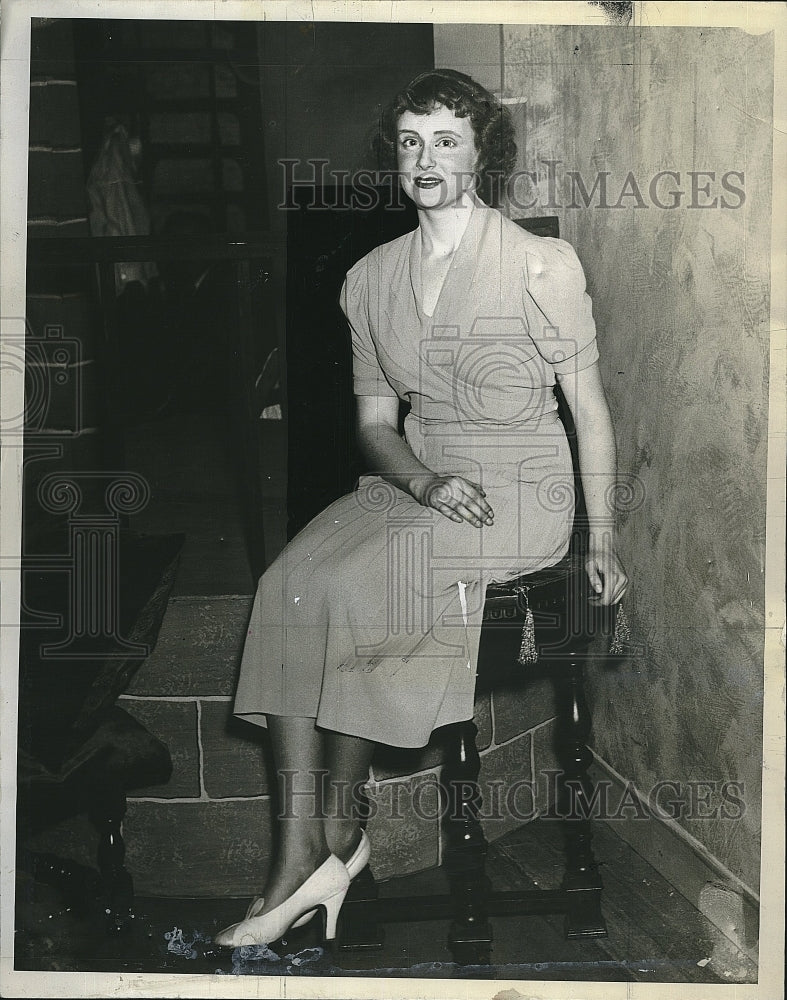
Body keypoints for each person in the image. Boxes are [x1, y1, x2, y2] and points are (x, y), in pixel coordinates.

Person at [214, 69, 628, 949]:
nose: (424, 158)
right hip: (423, 479)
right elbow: (374, 424)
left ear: (484, 152)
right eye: (409, 141)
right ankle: (308, 848)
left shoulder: (539, 265)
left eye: (446, 139)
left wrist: (604, 534)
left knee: (368, 579)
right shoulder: (367, 278)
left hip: (517, 491)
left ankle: (324, 844)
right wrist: (420, 481)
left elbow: (587, 409)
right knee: (289, 581)